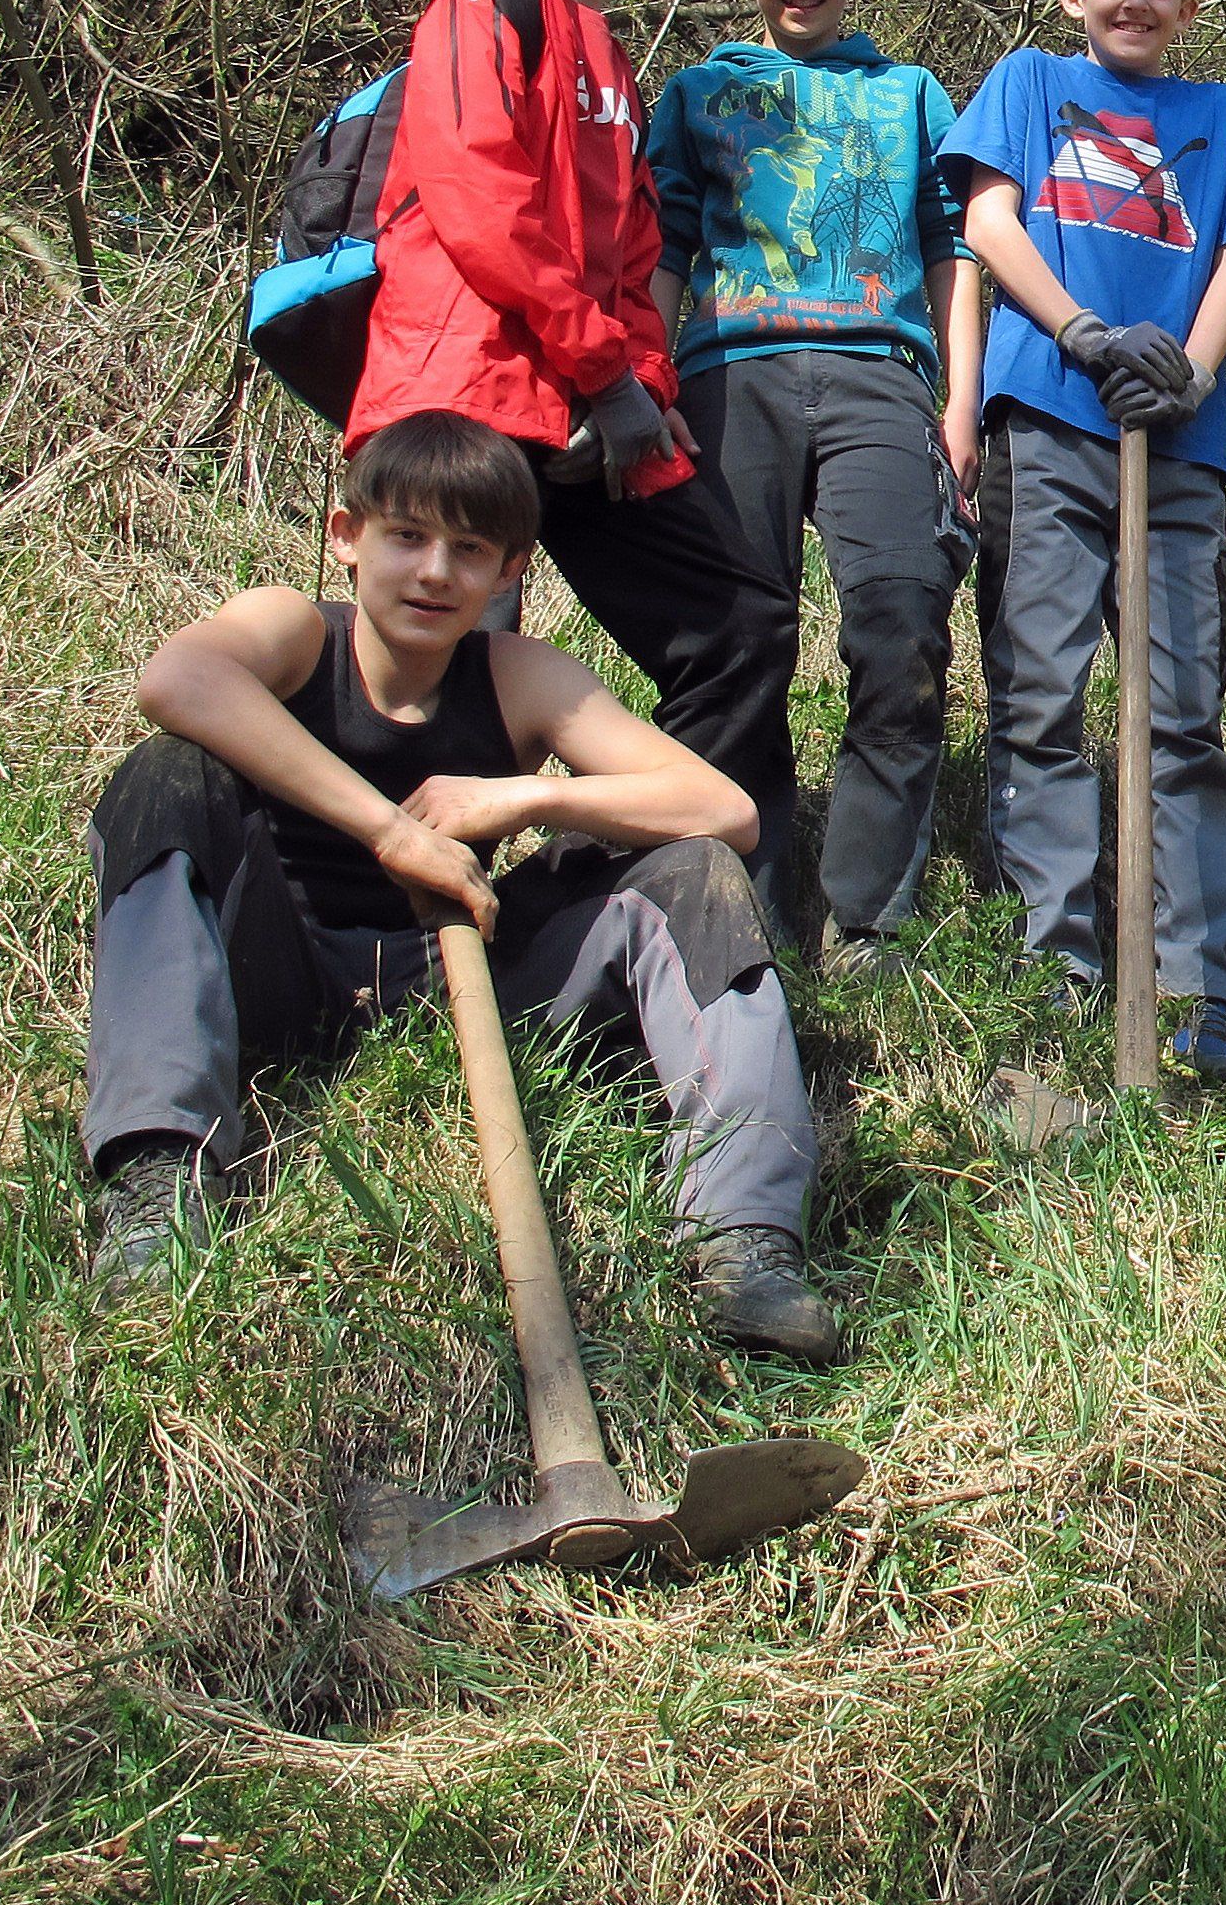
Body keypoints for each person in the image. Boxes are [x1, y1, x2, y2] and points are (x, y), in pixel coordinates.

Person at [82, 414, 838, 1362]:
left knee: (699, 873)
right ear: (346, 535)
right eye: (406, 536)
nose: (436, 572)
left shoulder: (519, 676)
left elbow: (723, 807)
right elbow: (176, 678)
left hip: (461, 979)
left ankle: (745, 1244)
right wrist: (392, 829)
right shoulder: (292, 630)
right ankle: (162, 1180)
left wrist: (519, 796)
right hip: (273, 967)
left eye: (470, 549)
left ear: (510, 570)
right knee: (165, 775)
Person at [342, 0, 802, 908]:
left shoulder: (607, 51)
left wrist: (641, 384)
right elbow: (477, 203)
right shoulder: (485, 3)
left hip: (588, 405)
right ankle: (401, 923)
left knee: (741, 623)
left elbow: (631, 241)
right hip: (466, 398)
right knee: (448, 658)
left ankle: (650, 892)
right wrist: (606, 370)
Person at [941, 0, 1226, 1079]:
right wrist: (1080, 330)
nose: (1134, 1)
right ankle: (1060, 964)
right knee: (1040, 698)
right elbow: (990, 220)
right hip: (1050, 421)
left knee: (1183, 713)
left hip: (1176, 444)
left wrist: (1188, 368)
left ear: (1186, 6)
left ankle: (1197, 988)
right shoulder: (1029, 84)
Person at [646, 0, 979, 970]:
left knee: (899, 626)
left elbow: (952, 249)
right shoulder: (698, 94)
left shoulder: (911, 96)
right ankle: (738, 895)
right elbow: (663, 246)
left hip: (880, 377)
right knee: (741, 644)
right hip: (727, 380)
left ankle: (866, 914)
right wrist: (647, 382)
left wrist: (959, 401)